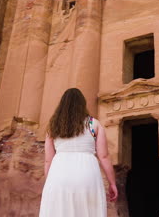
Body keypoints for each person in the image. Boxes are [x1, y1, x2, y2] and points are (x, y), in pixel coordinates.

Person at [39, 88, 118, 217]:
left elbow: (48, 160)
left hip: (59, 175)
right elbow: (103, 156)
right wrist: (112, 183)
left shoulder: (53, 127)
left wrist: (49, 183)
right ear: (82, 104)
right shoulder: (94, 124)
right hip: (87, 174)